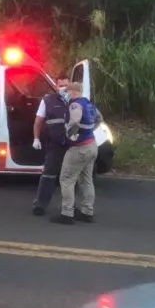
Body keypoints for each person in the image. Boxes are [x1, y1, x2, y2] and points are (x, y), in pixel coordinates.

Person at [51, 81, 99, 225]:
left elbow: (75, 121)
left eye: (68, 91)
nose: (66, 93)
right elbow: (99, 119)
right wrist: (89, 129)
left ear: (73, 92)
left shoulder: (75, 104)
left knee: (66, 179)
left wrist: (69, 134)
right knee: (86, 180)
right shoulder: (89, 104)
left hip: (79, 148)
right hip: (91, 145)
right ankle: (87, 211)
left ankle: (67, 213)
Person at [31, 74, 71, 216]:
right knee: (48, 175)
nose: (64, 88)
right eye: (61, 85)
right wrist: (36, 138)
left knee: (70, 178)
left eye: (66, 85)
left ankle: (70, 209)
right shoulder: (47, 100)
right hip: (54, 144)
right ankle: (40, 205)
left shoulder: (76, 99)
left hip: (73, 145)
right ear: (56, 86)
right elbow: (38, 121)